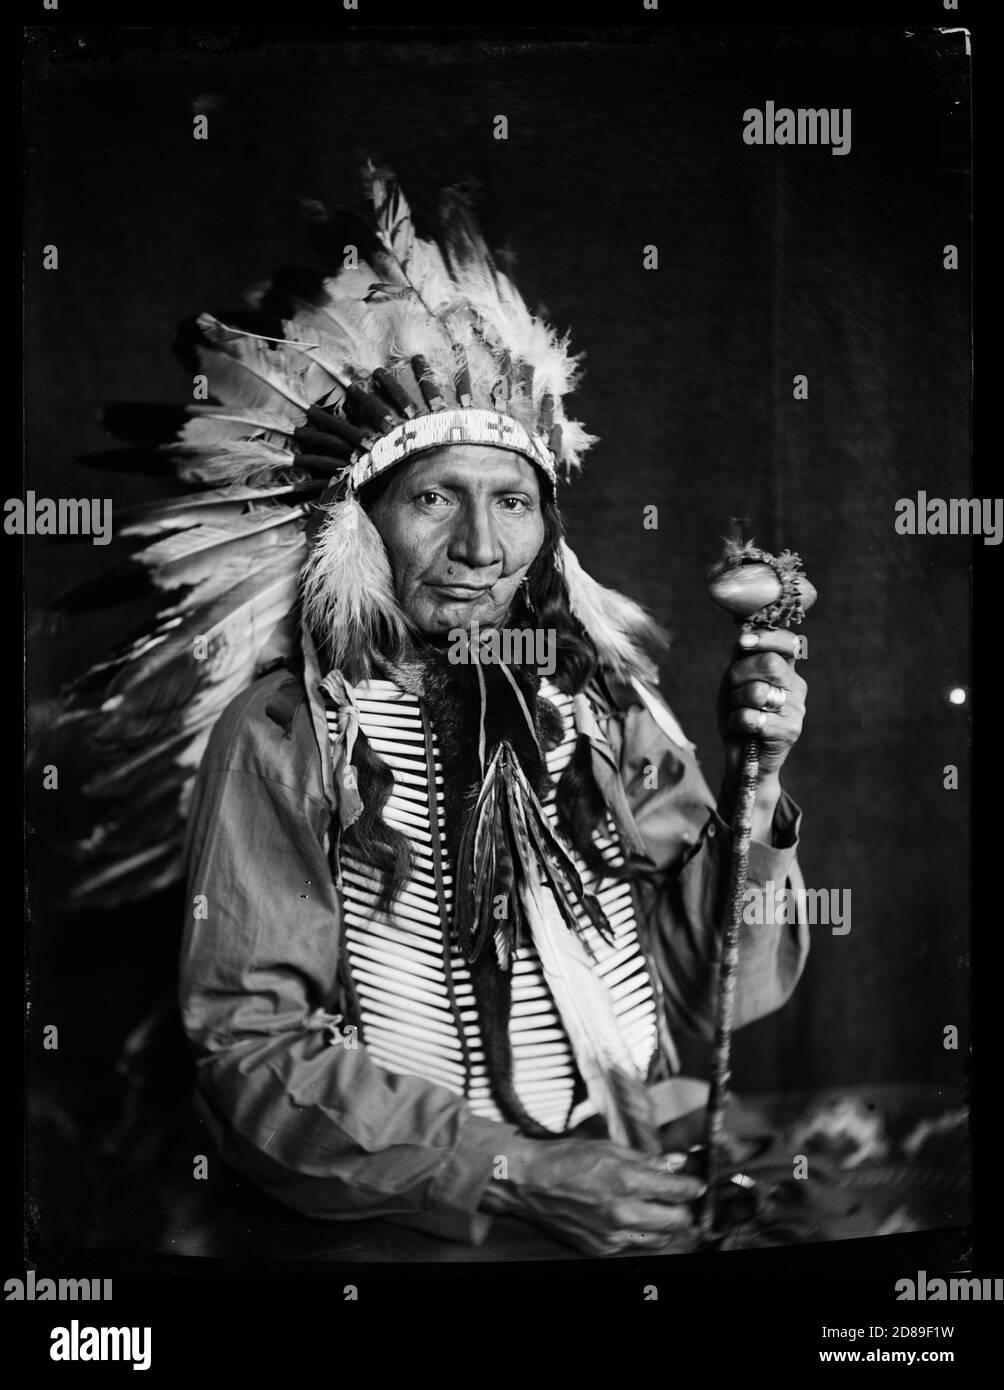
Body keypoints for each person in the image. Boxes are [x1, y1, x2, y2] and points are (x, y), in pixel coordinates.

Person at [173, 163, 810, 1257]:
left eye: (510, 500)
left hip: (633, 1181)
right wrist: (509, 1172)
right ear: (359, 528)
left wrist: (752, 788)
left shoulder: (606, 706)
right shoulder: (286, 733)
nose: (480, 549)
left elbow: (717, 1000)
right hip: (419, 1227)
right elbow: (249, 1054)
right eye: (433, 498)